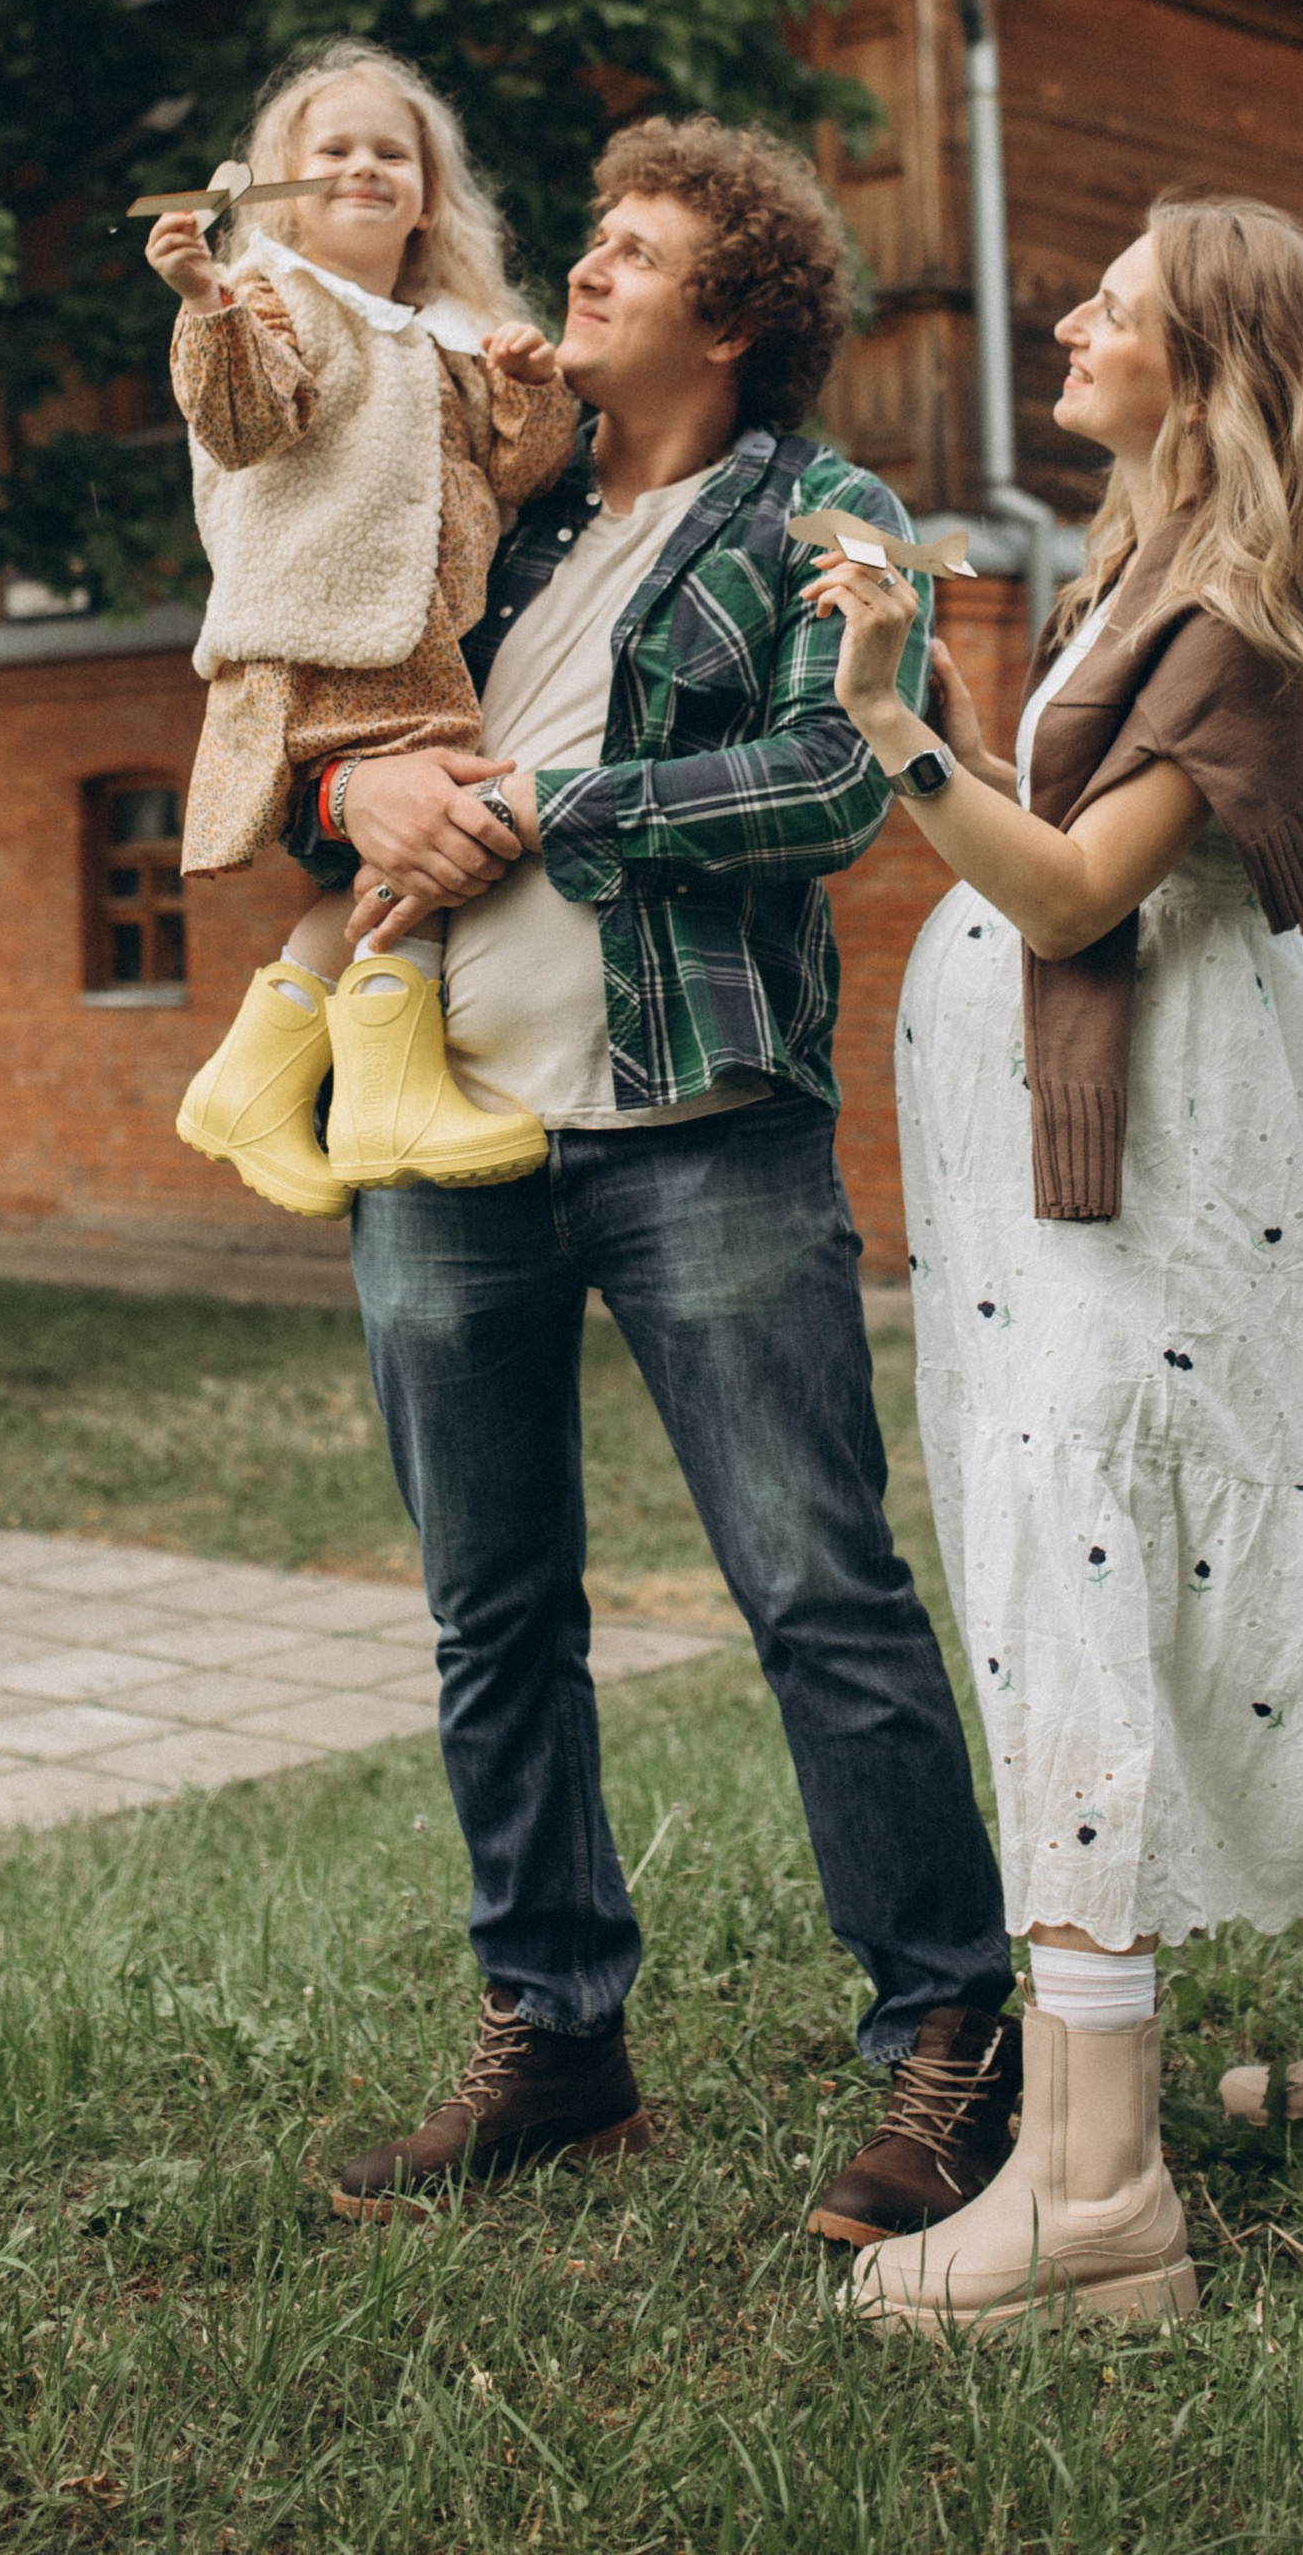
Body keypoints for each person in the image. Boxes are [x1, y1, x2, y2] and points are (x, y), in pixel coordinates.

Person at [312, 118, 1020, 2237]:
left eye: (631, 253)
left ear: (729, 316)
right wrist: (355, 795)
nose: (582, 273)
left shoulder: (820, 510)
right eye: (591, 240)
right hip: (442, 1132)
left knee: (817, 1592)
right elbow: (314, 728)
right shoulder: (482, 523)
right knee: (489, 1613)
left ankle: (947, 2044)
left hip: (695, 1122)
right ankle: (556, 2039)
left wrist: (551, 799)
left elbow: (823, 778)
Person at [805, 196, 1303, 2337]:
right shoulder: (1158, 575)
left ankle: (1091, 2194)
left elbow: (1078, 895)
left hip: (1167, 1173)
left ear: (1205, 367)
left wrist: (891, 711)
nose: (1068, 320)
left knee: (1082, 1542)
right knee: (1288, 1517)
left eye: (1114, 305)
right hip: (1180, 1157)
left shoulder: (1223, 614)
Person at [148, 45, 581, 1213]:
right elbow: (241, 423)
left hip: (418, 654)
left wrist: (531, 385)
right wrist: (205, 301)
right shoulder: (272, 300)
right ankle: (380, 1097)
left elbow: (525, 474)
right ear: (278, 187)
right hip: (319, 639)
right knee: (435, 845)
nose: (363, 167)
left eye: (392, 152)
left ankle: (263, 1081)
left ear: (429, 196)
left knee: (415, 857)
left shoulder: (447, 333)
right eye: (331, 150)